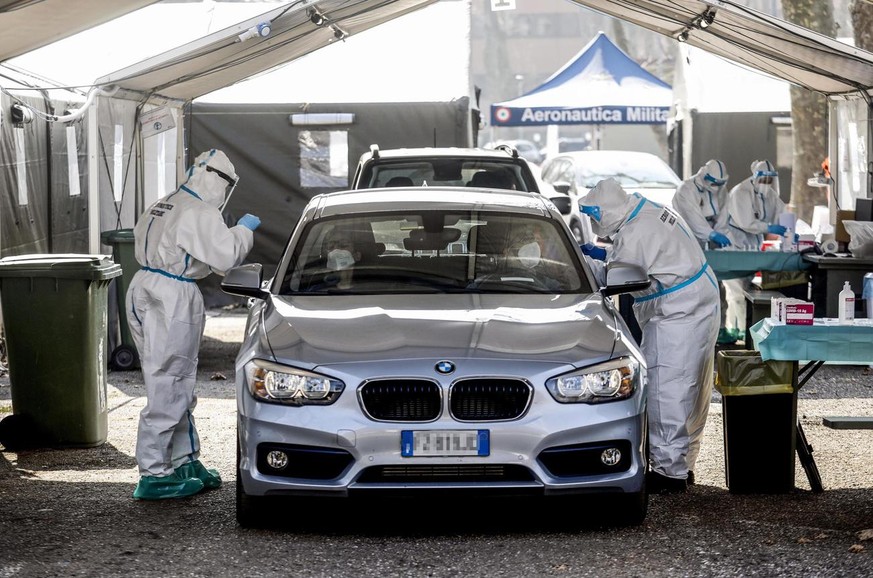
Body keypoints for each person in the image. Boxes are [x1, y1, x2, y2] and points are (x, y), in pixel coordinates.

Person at [127, 149, 260, 500]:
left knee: (171, 378)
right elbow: (224, 258)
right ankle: (155, 474)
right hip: (173, 294)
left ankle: (184, 461)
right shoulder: (200, 212)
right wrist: (243, 231)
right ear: (222, 182)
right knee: (170, 380)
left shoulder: (166, 201)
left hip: (143, 285)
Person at [579, 178, 720, 494]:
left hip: (679, 311)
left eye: (593, 216)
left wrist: (592, 260)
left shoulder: (634, 232)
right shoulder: (643, 211)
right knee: (691, 387)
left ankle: (670, 473)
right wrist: (607, 251)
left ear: (606, 212)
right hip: (695, 299)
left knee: (667, 386)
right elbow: (636, 253)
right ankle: (681, 466)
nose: (592, 222)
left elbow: (617, 276)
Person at [721, 160, 788, 341]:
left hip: (751, 246)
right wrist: (770, 228)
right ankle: (737, 330)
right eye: (763, 179)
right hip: (734, 244)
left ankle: (737, 329)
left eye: (769, 180)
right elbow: (747, 223)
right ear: (755, 177)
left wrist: (791, 228)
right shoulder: (741, 192)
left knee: (745, 290)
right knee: (735, 291)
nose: (766, 184)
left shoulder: (770, 195)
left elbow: (783, 212)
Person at [672, 159, 734, 344]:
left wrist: (720, 232)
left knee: (717, 284)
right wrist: (712, 234)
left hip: (709, 240)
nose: (717, 187)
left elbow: (724, 212)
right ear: (705, 178)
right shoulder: (686, 190)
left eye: (721, 184)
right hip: (687, 242)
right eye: (715, 183)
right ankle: (695, 332)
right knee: (694, 288)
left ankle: (720, 328)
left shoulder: (720, 189)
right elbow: (693, 219)